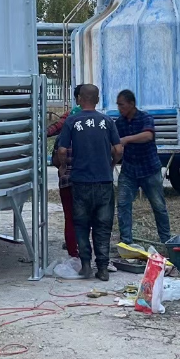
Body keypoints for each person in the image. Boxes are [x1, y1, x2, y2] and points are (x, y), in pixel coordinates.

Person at [57, 84, 122, 281]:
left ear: (79, 99)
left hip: (80, 182)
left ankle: (85, 266)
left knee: (81, 224)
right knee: (103, 226)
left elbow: (61, 150)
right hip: (104, 182)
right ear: (97, 99)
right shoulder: (107, 121)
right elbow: (118, 149)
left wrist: (62, 166)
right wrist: (111, 164)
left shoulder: (72, 121)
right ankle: (102, 269)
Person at [115, 89, 171, 246]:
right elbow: (115, 143)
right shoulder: (119, 123)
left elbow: (148, 135)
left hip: (149, 169)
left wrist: (127, 139)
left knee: (158, 206)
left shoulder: (145, 118)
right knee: (123, 204)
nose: (119, 108)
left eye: (122, 105)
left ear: (132, 104)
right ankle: (126, 241)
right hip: (129, 170)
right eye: (118, 105)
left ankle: (166, 240)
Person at [48, 85, 83, 259]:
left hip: (68, 178)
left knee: (70, 217)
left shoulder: (69, 119)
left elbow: (58, 152)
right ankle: (84, 251)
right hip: (89, 179)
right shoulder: (99, 121)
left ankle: (73, 252)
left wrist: (62, 167)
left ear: (77, 98)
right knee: (86, 217)